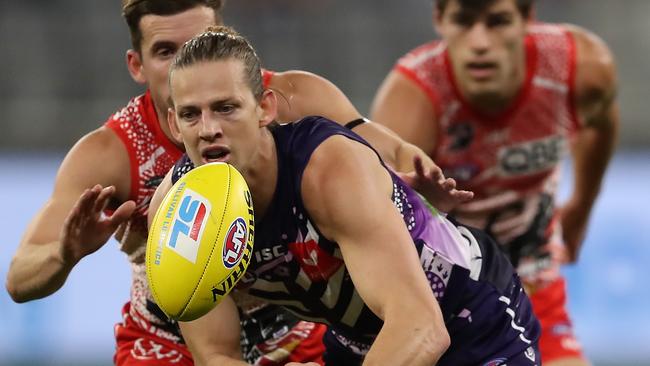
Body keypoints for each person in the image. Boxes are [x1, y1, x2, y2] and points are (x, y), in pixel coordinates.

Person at [5, 1, 471, 365]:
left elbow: (390, 152)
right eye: (167, 53)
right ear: (135, 64)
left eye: (198, 44)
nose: (184, 66)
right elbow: (19, 279)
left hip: (295, 334)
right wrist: (63, 255)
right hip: (171, 343)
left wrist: (412, 189)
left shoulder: (294, 98)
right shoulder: (112, 152)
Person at [151, 26, 540, 366]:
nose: (208, 130)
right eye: (190, 115)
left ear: (265, 108)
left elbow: (421, 328)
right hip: (361, 341)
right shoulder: (175, 214)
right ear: (173, 124)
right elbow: (215, 356)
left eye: (226, 108)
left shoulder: (328, 170)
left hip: (469, 317)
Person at [370, 0, 619, 364]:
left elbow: (601, 123)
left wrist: (582, 203)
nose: (480, 42)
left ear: (527, 21)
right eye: (464, 21)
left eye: (498, 22)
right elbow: (377, 225)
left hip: (533, 285)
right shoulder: (412, 101)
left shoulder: (581, 69)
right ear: (440, 21)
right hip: (447, 298)